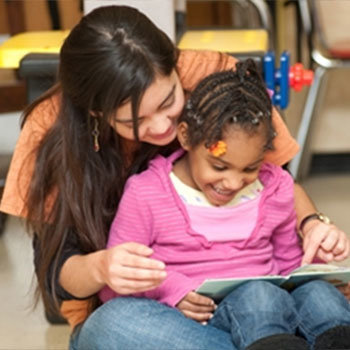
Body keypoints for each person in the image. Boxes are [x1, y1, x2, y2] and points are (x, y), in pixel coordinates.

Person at [0, 5, 348, 350]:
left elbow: (276, 183)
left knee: (309, 300)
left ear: (175, 68)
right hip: (158, 319)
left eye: (169, 101)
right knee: (112, 326)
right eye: (134, 121)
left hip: (263, 310)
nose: (162, 127)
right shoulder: (53, 130)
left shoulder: (217, 80)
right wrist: (103, 268)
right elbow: (58, 269)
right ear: (96, 113)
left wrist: (312, 224)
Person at [99, 61, 350, 350]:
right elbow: (116, 284)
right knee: (257, 296)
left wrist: (323, 272)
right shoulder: (146, 193)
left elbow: (290, 265)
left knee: (321, 297)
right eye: (219, 166)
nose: (232, 182)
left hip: (274, 310)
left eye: (250, 168)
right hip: (201, 320)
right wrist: (171, 290)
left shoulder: (275, 187)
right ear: (185, 137)